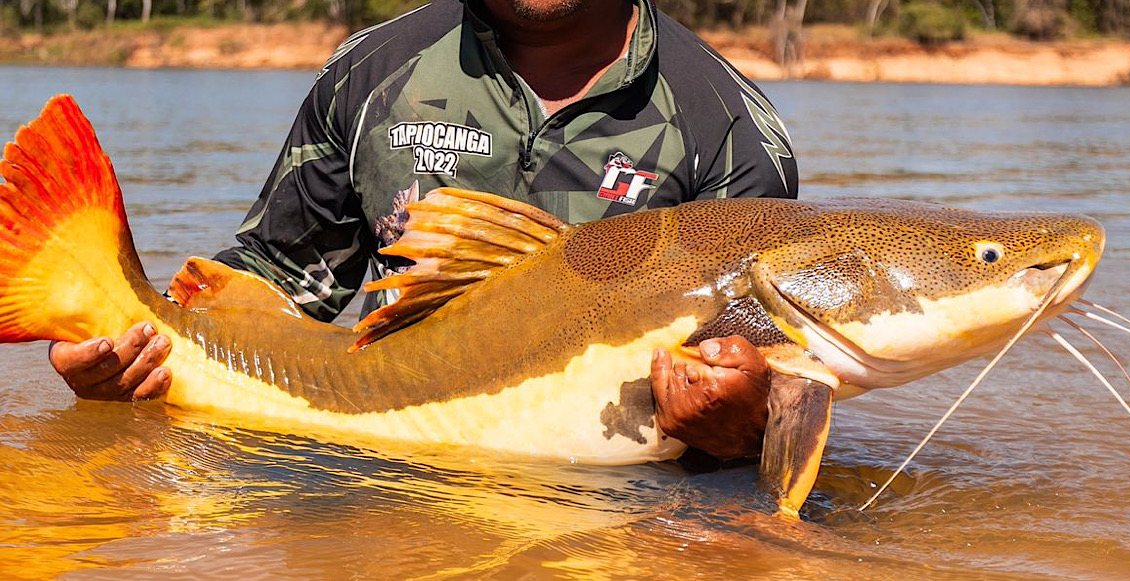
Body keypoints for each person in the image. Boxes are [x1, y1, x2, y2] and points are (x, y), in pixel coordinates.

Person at [48, 0, 798, 462]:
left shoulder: (728, 126)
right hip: (379, 464)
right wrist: (126, 351)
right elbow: (276, 277)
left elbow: (775, 385)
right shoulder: (370, 72)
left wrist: (757, 423)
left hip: (619, 507)